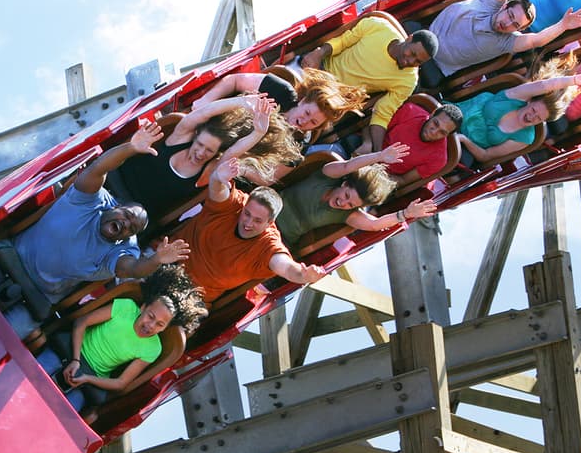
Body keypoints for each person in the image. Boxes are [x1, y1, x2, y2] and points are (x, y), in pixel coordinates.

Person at [0, 120, 190, 336]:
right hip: (10, 257)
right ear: (116, 206)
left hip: (37, 296)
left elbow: (133, 269)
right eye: (126, 216)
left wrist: (157, 260)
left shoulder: (121, 250)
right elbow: (98, 168)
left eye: (131, 228)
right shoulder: (92, 200)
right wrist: (130, 148)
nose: (125, 224)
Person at [37, 265, 207, 414]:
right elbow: (82, 322)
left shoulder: (153, 348)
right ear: (143, 308)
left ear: (164, 328)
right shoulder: (125, 307)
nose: (151, 325)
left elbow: (121, 383)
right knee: (37, 372)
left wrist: (87, 379)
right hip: (71, 351)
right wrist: (75, 359)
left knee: (65, 413)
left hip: (92, 377)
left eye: (159, 324)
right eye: (150, 316)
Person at [170, 158, 326, 303]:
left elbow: (285, 266)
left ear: (269, 223)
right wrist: (218, 177)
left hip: (192, 294)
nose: (248, 223)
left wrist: (302, 275)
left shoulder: (268, 245)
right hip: (168, 261)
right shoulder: (235, 204)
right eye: (247, 214)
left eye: (258, 221)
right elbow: (218, 190)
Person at [421, 0, 581, 88]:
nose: (507, 24)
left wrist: (563, 25)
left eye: (515, 25)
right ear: (504, 7)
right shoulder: (489, 2)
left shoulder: (507, 42)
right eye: (510, 16)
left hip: (436, 66)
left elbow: (536, 41)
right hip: (424, 37)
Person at [298, 16, 439, 152]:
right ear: (409, 39)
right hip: (322, 69)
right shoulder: (379, 26)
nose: (410, 61)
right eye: (412, 53)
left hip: (336, 99)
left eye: (418, 62)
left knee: (316, 126)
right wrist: (319, 52)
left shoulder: (408, 81)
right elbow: (342, 42)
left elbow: (383, 113)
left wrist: (378, 152)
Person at [110, 94, 263, 217]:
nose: (201, 153)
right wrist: (242, 101)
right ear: (194, 136)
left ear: (216, 153)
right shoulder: (180, 137)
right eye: (200, 145)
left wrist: (259, 133)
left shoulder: (209, 170)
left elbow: (234, 151)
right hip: (115, 182)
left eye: (209, 150)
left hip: (134, 214)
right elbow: (205, 112)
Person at [272, 144, 438, 246]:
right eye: (346, 195)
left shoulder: (346, 215)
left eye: (350, 204)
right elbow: (347, 166)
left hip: (276, 236)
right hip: (265, 206)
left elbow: (375, 224)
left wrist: (406, 214)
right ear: (344, 184)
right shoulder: (328, 175)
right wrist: (379, 156)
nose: (343, 203)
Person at [453, 72, 581, 165]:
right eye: (534, 110)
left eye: (538, 118)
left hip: (462, 143)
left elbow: (486, 156)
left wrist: (463, 140)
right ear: (530, 101)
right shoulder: (517, 96)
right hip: (453, 116)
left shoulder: (525, 138)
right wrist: (574, 80)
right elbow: (544, 85)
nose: (532, 116)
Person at [190, 68, 368, 144]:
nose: (304, 121)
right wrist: (206, 101)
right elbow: (236, 80)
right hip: (214, 123)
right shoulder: (281, 91)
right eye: (307, 113)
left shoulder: (296, 141)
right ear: (302, 101)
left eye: (313, 122)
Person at [355, 102, 463, 185]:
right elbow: (371, 123)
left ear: (447, 135)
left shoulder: (439, 158)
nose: (434, 132)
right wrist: (368, 143)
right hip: (368, 149)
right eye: (435, 123)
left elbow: (403, 180)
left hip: (381, 177)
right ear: (432, 114)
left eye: (442, 132)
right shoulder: (410, 111)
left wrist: (375, 174)